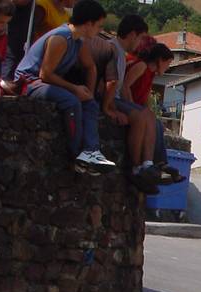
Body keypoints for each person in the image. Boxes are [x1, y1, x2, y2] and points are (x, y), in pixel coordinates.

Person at [14, 0, 115, 174]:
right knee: (71, 101)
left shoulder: (78, 41)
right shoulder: (60, 38)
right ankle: (76, 154)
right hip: (29, 82)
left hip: (48, 82)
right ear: (88, 23)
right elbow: (45, 74)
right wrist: (75, 89)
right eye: (99, 26)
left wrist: (89, 93)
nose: (100, 30)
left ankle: (91, 151)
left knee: (90, 103)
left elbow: (90, 66)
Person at [86, 15, 162, 193]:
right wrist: (108, 108)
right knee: (139, 117)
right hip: (109, 98)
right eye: (141, 38)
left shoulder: (120, 52)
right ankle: (135, 167)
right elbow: (107, 83)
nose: (141, 43)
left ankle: (147, 163)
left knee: (148, 115)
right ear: (133, 34)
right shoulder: (112, 49)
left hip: (115, 98)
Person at [122, 37, 182, 183]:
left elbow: (145, 97)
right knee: (150, 120)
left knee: (157, 124)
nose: (168, 67)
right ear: (160, 60)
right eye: (168, 63)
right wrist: (132, 107)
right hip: (129, 105)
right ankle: (149, 164)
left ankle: (159, 163)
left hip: (138, 108)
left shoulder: (150, 74)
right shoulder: (141, 66)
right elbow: (125, 86)